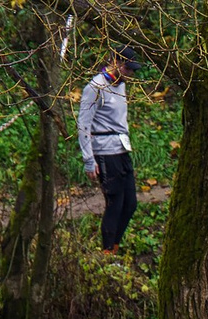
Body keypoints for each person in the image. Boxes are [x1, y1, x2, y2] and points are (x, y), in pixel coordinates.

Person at [76, 49, 140, 253]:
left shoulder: (121, 85)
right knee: (115, 203)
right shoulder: (95, 87)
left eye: (132, 70)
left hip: (122, 149)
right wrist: (89, 159)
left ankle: (115, 247)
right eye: (127, 68)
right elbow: (83, 124)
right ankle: (107, 251)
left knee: (130, 203)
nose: (130, 73)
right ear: (115, 62)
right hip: (104, 151)